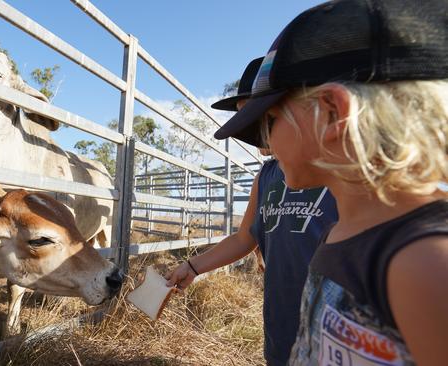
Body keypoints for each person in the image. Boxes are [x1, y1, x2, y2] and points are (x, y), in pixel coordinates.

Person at [216, 0, 448, 364]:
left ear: (332, 113)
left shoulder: (424, 263)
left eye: (270, 121)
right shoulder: (343, 232)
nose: (267, 142)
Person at [165, 56, 338, 366]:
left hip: (334, 326)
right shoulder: (268, 176)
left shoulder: (342, 173)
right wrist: (193, 267)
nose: (252, 132)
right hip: (282, 319)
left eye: (261, 119)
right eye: (246, 123)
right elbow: (245, 238)